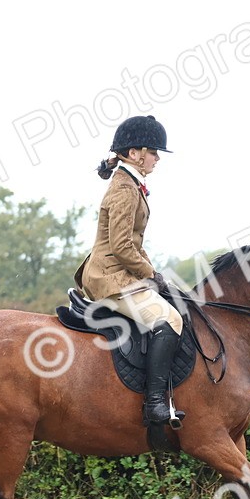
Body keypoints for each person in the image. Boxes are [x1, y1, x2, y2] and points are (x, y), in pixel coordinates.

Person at [74, 115, 185, 429]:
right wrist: (149, 273)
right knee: (170, 319)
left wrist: (154, 274)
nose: (157, 158)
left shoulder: (131, 183)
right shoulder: (124, 188)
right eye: (153, 152)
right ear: (134, 153)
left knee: (175, 303)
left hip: (118, 272)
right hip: (109, 277)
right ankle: (154, 405)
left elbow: (133, 243)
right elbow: (122, 247)